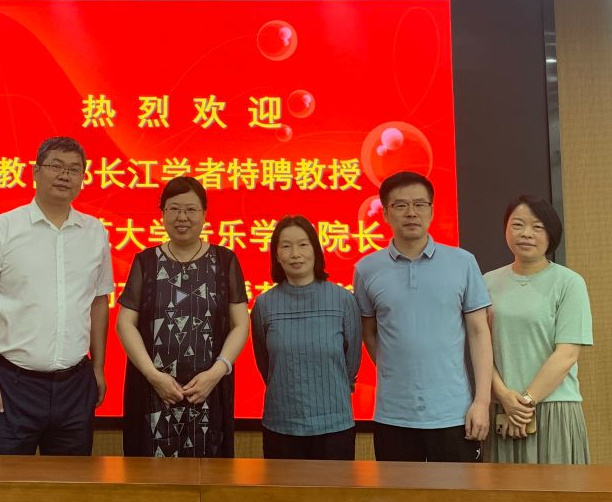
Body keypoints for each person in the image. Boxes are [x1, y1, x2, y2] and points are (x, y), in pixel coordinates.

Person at [0, 136, 114, 455]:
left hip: (75, 384)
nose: (64, 175)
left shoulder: (95, 232)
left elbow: (99, 302)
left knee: (70, 481)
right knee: (5, 480)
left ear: (83, 177)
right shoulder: (2, 227)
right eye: (55, 166)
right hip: (12, 385)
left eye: (74, 169)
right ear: (35, 171)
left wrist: (98, 368)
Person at [353, 170, 493, 462]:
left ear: (431, 210)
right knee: (397, 488)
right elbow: (369, 332)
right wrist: (398, 368)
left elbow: (479, 332)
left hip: (454, 413)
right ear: (385, 213)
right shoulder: (366, 269)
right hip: (393, 416)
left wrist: (481, 402)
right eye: (400, 205)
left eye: (419, 204)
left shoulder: (463, 262)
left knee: (461, 488)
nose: (411, 213)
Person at [116, 176, 249, 458]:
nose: (182, 217)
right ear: (163, 213)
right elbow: (125, 323)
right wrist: (153, 375)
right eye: (174, 209)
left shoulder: (224, 261)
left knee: (211, 473)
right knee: (148, 475)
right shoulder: (146, 262)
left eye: (190, 209)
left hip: (209, 390)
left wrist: (217, 372)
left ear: (204, 214)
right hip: (153, 391)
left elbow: (240, 324)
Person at [483, 195, 592, 464]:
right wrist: (504, 397)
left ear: (551, 234)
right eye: (517, 225)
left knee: (559, 485)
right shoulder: (487, 282)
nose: (526, 233)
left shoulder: (569, 283)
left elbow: (567, 354)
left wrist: (526, 403)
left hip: (553, 408)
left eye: (538, 227)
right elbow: (480, 349)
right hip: (502, 409)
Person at [251, 215, 362, 460]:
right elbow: (266, 364)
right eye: (286, 246)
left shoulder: (343, 300)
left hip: (335, 426)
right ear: (276, 255)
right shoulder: (264, 304)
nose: (295, 254)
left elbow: (351, 362)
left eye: (303, 244)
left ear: (315, 250)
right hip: (281, 424)